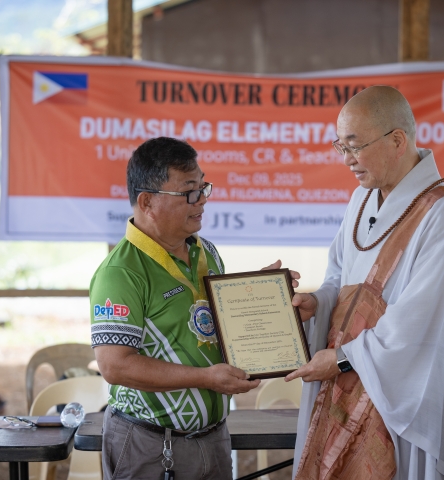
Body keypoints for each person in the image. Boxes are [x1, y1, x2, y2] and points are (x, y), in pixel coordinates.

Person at [286, 86, 444, 480]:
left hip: (402, 395)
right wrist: (318, 302)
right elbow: (341, 275)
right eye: (340, 146)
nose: (347, 160)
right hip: (348, 380)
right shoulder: (361, 200)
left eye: (355, 146)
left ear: (397, 141)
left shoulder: (442, 214)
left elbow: (419, 323)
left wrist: (342, 358)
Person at [91, 136, 299, 480]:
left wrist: (262, 297)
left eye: (203, 188)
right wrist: (206, 378)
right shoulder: (121, 272)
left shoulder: (206, 252)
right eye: (188, 192)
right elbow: (115, 366)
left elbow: (212, 324)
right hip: (150, 444)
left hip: (213, 437)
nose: (201, 200)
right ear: (147, 201)